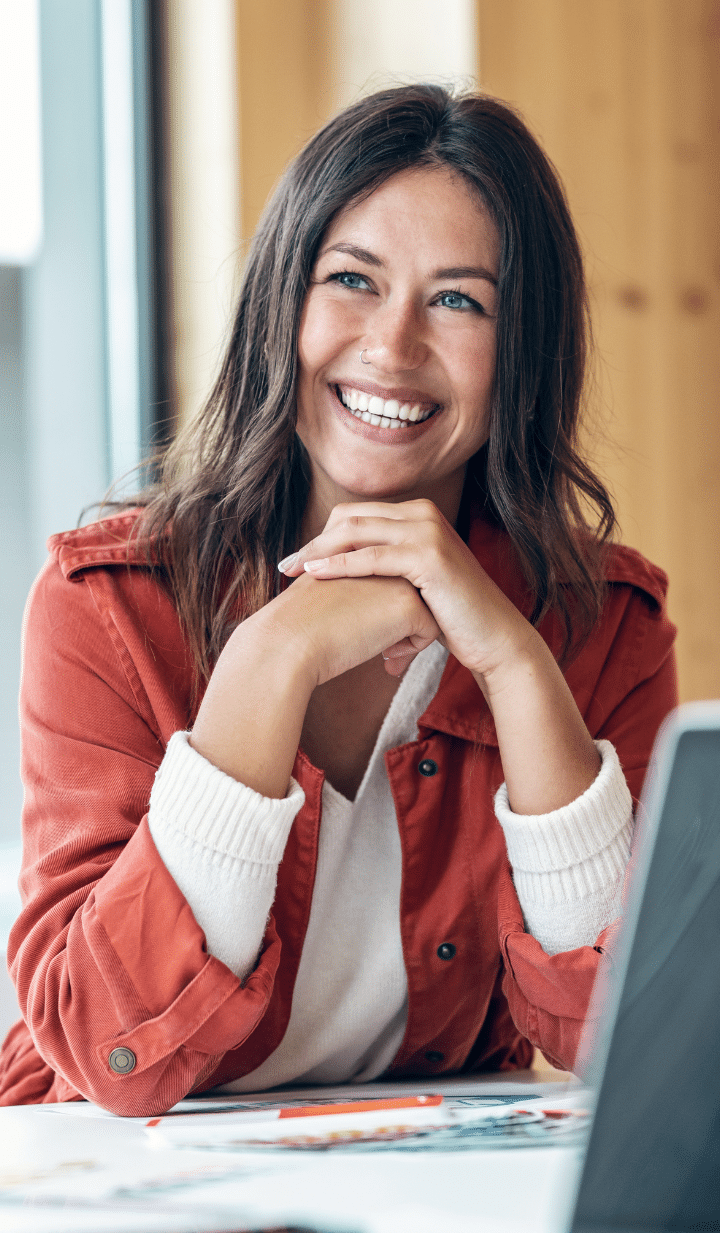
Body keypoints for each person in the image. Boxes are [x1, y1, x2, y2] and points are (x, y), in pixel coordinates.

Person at [0, 85, 677, 1115]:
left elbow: (625, 1040)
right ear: (285, 303)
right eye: (352, 279)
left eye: (460, 300)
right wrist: (270, 663)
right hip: (105, 1175)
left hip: (411, 1187)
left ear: (522, 355)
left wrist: (515, 667)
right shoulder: (107, 605)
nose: (393, 347)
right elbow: (108, 1050)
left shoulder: (602, 624)